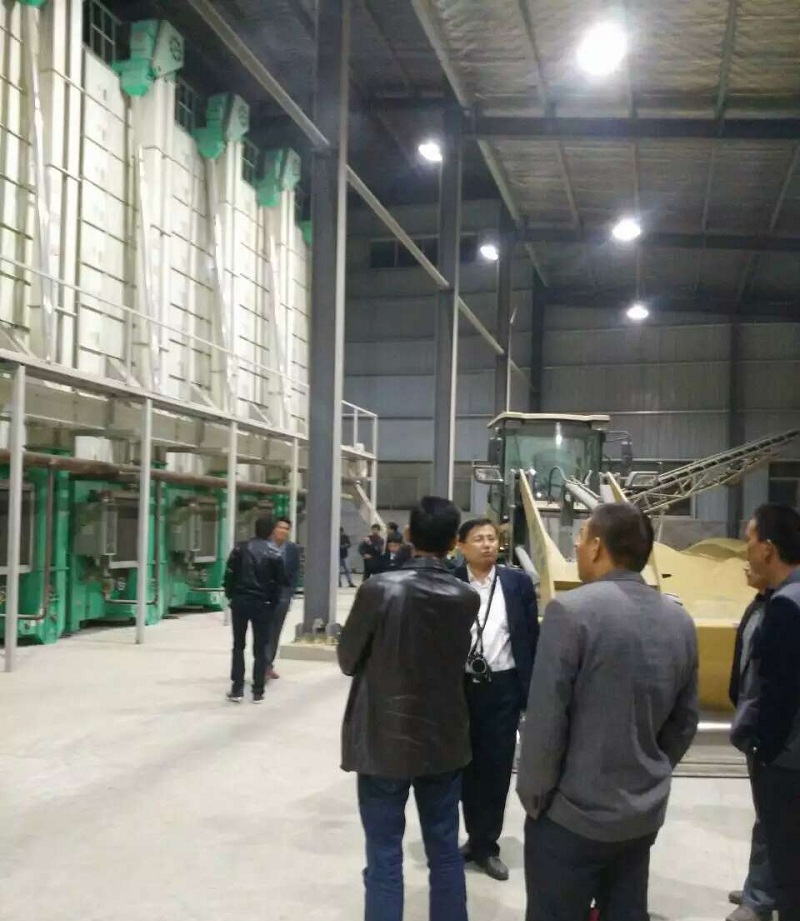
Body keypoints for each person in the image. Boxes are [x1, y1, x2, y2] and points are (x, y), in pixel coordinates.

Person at [517, 503, 699, 921]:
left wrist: (538, 799)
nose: (576, 547)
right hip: (640, 816)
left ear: (597, 547)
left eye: (580, 538)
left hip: (571, 816)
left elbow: (546, 721)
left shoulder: (570, 612)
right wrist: (649, 773)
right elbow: (685, 721)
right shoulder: (678, 620)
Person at [338, 496, 480, 921]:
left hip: (383, 738)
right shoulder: (466, 597)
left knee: (384, 854)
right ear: (454, 542)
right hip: (443, 738)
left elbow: (348, 660)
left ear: (410, 535)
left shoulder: (379, 589)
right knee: (445, 852)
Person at [454, 518, 539, 882]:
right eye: (479, 539)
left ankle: (486, 845)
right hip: (459, 688)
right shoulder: (450, 583)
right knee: (463, 767)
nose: (488, 544)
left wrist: (530, 694)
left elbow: (531, 638)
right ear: (461, 545)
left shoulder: (517, 583)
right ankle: (472, 837)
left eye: (492, 538)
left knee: (496, 768)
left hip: (503, 688)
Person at [745, 504, 800, 921]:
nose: (745, 548)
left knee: (789, 873)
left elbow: (779, 693)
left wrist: (762, 748)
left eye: (749, 539)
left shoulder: (786, 607)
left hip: (786, 763)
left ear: (767, 548)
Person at [727, 567, 775, 921]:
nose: (745, 562)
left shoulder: (786, 607)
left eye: (751, 546)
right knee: (765, 813)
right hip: (755, 726)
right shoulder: (760, 604)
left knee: (773, 816)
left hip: (774, 732)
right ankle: (760, 887)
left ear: (770, 550)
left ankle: (760, 898)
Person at [223, 514, 285, 703]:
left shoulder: (240, 548)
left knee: (238, 646)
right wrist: (273, 602)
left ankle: (237, 689)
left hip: (241, 601)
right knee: (261, 647)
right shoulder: (275, 552)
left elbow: (229, 574)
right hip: (263, 604)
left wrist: (231, 595)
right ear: (271, 531)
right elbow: (279, 582)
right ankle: (258, 691)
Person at [265, 516, 301, 680]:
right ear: (274, 529)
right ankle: (263, 665)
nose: (282, 531)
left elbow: (295, 572)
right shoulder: (264, 546)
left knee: (275, 633)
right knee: (264, 632)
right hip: (264, 597)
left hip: (282, 597)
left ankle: (269, 665)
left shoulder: (292, 549)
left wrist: (289, 593)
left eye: (286, 528)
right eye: (280, 527)